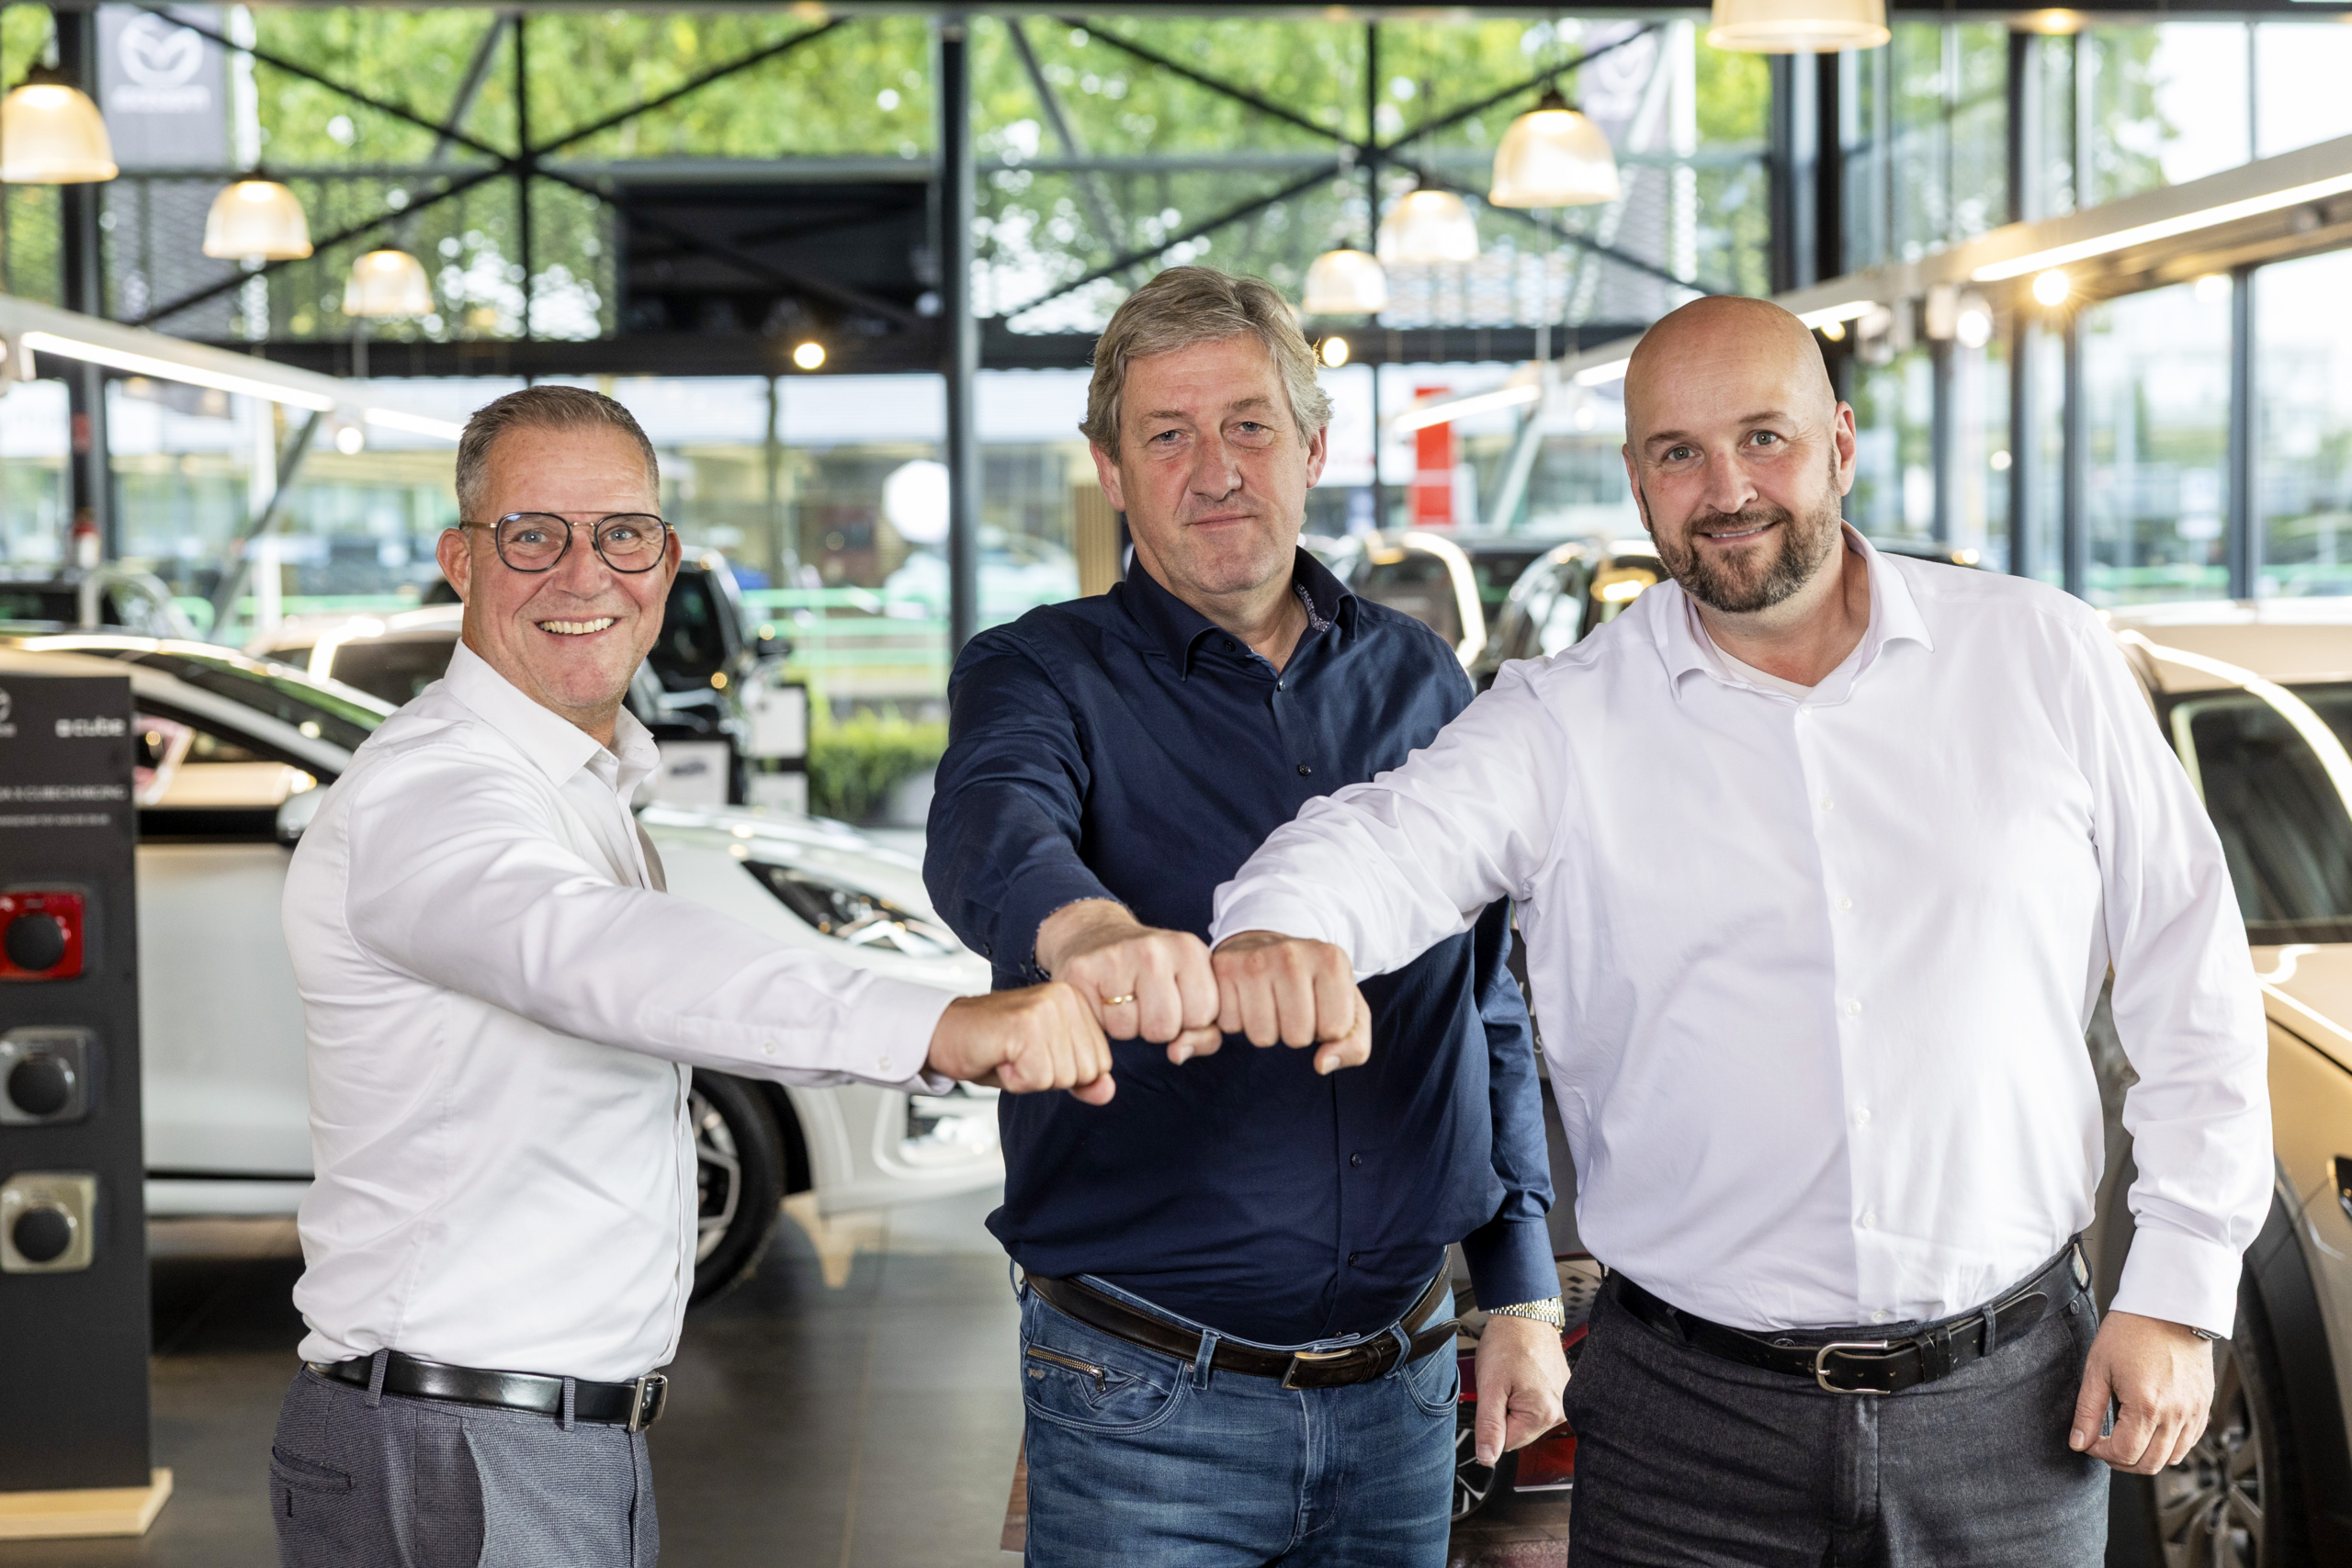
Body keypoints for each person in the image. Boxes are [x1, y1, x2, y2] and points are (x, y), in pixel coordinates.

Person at [1206, 295, 2272, 1566]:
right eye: (1679, 452)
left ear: (1841, 442)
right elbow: (1378, 839)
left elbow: (2189, 967)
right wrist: (1279, 926)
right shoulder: (1563, 720)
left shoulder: (2039, 654)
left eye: (1764, 437)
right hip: (1686, 1427)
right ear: (1637, 477)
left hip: (2009, 1401)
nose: (1726, 488)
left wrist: (2182, 1283)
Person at [271, 386, 1110, 1568]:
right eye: (532, 535)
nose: (584, 573)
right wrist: (941, 1024)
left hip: (551, 1440)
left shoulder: (581, 786)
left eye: (621, 533)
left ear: (664, 563)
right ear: (461, 560)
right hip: (455, 1454)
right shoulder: (432, 790)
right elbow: (591, 953)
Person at [923, 265, 1568, 1568]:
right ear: (1110, 467)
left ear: (1315, 447)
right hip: (1146, 1397)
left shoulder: (1419, 675)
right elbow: (993, 824)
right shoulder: (1038, 669)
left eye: (1250, 426)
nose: (1214, 468)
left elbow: (1482, 997)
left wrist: (1522, 1285)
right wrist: (1087, 930)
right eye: (1167, 433)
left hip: (1404, 1384)